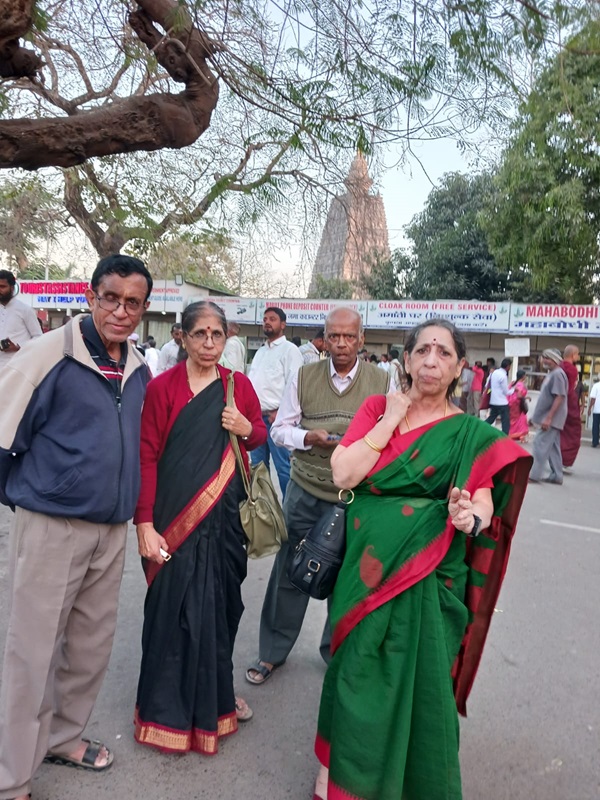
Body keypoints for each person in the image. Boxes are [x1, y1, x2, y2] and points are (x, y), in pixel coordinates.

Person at [311, 319, 532, 800]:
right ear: (406, 359)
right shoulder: (374, 408)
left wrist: (466, 515)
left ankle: (412, 782)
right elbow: (345, 473)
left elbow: (483, 505)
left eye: (444, 353)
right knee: (355, 669)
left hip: (432, 574)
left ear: (459, 368)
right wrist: (391, 418)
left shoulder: (468, 433)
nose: (432, 360)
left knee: (422, 681)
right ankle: (339, 776)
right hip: (365, 571)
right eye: (423, 351)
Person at [0, 254, 153, 800]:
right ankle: (12, 776)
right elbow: (4, 438)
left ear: (143, 309)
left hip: (109, 530)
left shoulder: (138, 367)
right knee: (32, 651)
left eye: (132, 302)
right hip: (52, 525)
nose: (119, 310)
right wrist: (36, 498)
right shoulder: (46, 355)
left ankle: (64, 737)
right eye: (110, 297)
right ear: (91, 295)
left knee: (89, 646)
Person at [133, 301, 267, 755]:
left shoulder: (238, 386)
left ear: (227, 337)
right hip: (174, 521)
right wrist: (145, 524)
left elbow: (258, 438)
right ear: (182, 337)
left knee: (220, 610)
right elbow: (147, 457)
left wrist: (247, 427)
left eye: (217, 334)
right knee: (171, 612)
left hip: (226, 521)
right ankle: (163, 711)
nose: (209, 343)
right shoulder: (163, 389)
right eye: (200, 334)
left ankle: (217, 700)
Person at [245, 308, 390, 686]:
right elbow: (279, 430)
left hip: (356, 497)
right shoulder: (304, 375)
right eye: (334, 336)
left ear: (361, 339)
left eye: (349, 337)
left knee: (347, 577)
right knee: (289, 573)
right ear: (324, 339)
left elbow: (391, 436)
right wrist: (306, 438)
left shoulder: (382, 381)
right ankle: (272, 652)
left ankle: (336, 653)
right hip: (306, 490)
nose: (341, 344)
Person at [247, 307, 304, 497]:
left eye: (272, 319)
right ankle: (263, 514)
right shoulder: (261, 352)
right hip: (256, 419)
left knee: (283, 470)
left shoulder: (290, 351)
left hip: (276, 419)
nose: (267, 322)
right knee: (257, 469)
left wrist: (281, 413)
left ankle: (289, 515)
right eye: (265, 319)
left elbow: (295, 385)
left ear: (283, 324)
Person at [528, 348, 568, 485]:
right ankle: (557, 475)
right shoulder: (553, 374)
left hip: (551, 418)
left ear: (555, 360)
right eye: (544, 358)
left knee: (540, 444)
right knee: (553, 447)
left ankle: (534, 475)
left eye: (548, 358)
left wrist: (549, 418)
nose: (545, 360)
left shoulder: (557, 374)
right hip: (548, 417)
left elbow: (560, 397)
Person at [0, 269, 42, 369]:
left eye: (2, 287)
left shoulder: (25, 309)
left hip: (17, 367)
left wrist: (18, 346)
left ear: (12, 288)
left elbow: (39, 337)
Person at [560, 344, 582, 468]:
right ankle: (565, 460)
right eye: (577, 354)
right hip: (569, 402)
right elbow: (568, 389)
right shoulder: (572, 369)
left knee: (560, 432)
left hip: (559, 401)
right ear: (573, 355)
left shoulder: (559, 366)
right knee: (572, 433)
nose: (578, 356)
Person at [485, 357, 512, 434]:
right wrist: (513, 390)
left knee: (491, 418)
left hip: (493, 401)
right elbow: (506, 392)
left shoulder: (495, 372)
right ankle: (504, 437)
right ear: (508, 367)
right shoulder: (503, 376)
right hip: (502, 403)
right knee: (505, 422)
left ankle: (479, 428)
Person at [508, 368, 529, 441]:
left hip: (511, 404)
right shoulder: (521, 385)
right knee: (521, 419)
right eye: (525, 376)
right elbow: (519, 395)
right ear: (523, 376)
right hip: (518, 404)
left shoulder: (512, 383)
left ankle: (512, 434)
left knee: (513, 420)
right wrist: (526, 397)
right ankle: (520, 435)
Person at [588, 379, 600, 448]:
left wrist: (589, 408)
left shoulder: (596, 386)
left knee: (595, 426)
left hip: (597, 410)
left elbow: (593, 399)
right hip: (597, 410)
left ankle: (595, 442)